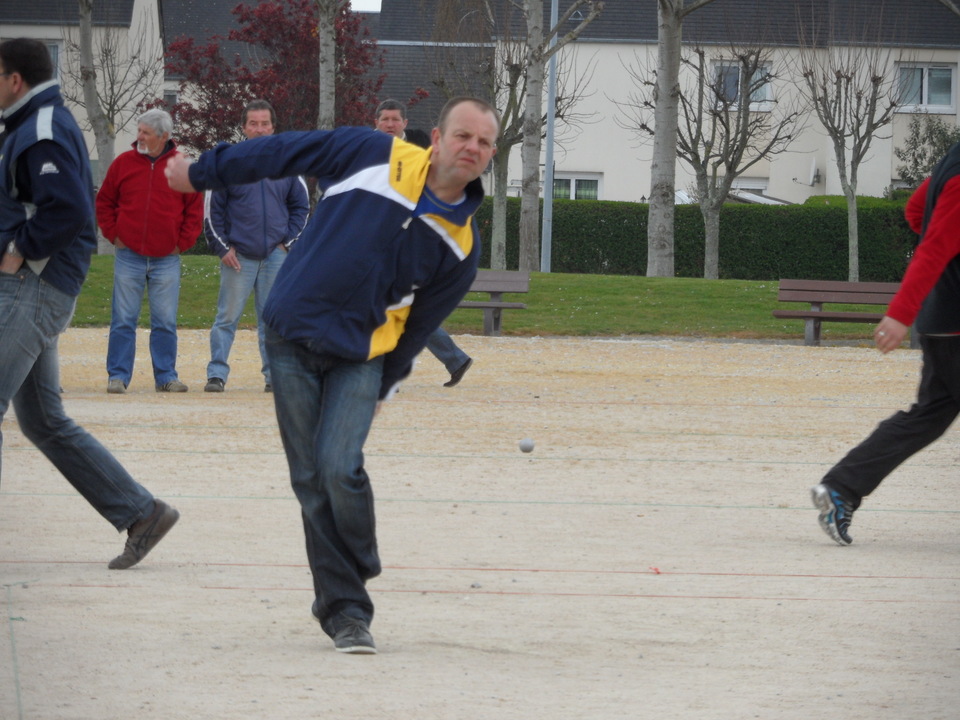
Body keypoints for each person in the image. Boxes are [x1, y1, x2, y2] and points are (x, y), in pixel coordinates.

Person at [165, 96, 500, 653]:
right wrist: (202, 172)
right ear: (436, 139)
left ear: (490, 157)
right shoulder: (372, 153)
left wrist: (383, 389)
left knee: (339, 468)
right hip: (290, 336)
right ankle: (346, 611)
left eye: (484, 143)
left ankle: (359, 556)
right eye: (464, 135)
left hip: (360, 356)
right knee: (310, 481)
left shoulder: (461, 245)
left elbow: (419, 328)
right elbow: (282, 150)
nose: (472, 148)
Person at [0, 38, 179, 569]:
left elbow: (71, 209)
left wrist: (18, 251)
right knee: (44, 421)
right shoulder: (30, 124)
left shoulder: (42, 127)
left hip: (34, 286)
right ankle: (140, 512)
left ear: (14, 80)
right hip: (37, 287)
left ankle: (140, 510)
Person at [811, 141, 960, 546]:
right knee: (927, 416)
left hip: (942, 321)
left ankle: (841, 488)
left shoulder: (950, 164)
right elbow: (934, 247)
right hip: (954, 323)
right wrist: (899, 312)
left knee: (927, 417)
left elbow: (917, 212)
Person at [203, 99, 309, 393]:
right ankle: (217, 374)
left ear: (273, 127)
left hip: (276, 255)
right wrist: (223, 248)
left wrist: (287, 242)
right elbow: (213, 212)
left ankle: (274, 376)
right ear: (244, 127)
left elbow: (301, 206)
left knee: (272, 321)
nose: (259, 129)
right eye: (254, 124)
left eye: (265, 124)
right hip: (239, 257)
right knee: (226, 318)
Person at [96, 108, 203, 394]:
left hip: (167, 258)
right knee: (123, 319)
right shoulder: (122, 164)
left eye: (145, 132)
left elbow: (194, 211)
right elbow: (104, 201)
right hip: (128, 254)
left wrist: (182, 243)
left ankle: (166, 376)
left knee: (165, 321)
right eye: (139, 130)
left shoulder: (182, 166)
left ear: (164, 136)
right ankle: (117, 376)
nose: (139, 137)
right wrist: (114, 234)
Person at [374, 99, 474, 388]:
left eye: (395, 119)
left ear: (404, 123)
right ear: (377, 123)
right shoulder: (371, 152)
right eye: (385, 119)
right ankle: (453, 358)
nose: (390, 124)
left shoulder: (424, 152)